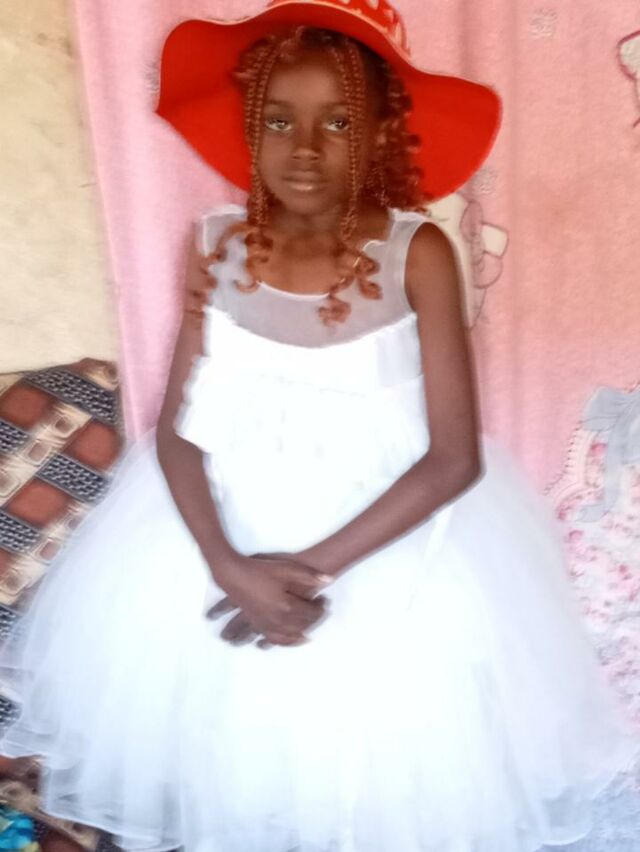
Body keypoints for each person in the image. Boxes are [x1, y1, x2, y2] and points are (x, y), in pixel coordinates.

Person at [0, 1, 637, 850]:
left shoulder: (417, 252)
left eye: (338, 122)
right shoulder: (216, 245)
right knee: (234, 750)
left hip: (384, 544)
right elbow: (179, 430)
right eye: (279, 120)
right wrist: (231, 568)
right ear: (251, 128)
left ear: (380, 132)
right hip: (216, 537)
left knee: (376, 761)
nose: (304, 147)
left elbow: (453, 459)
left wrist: (303, 576)